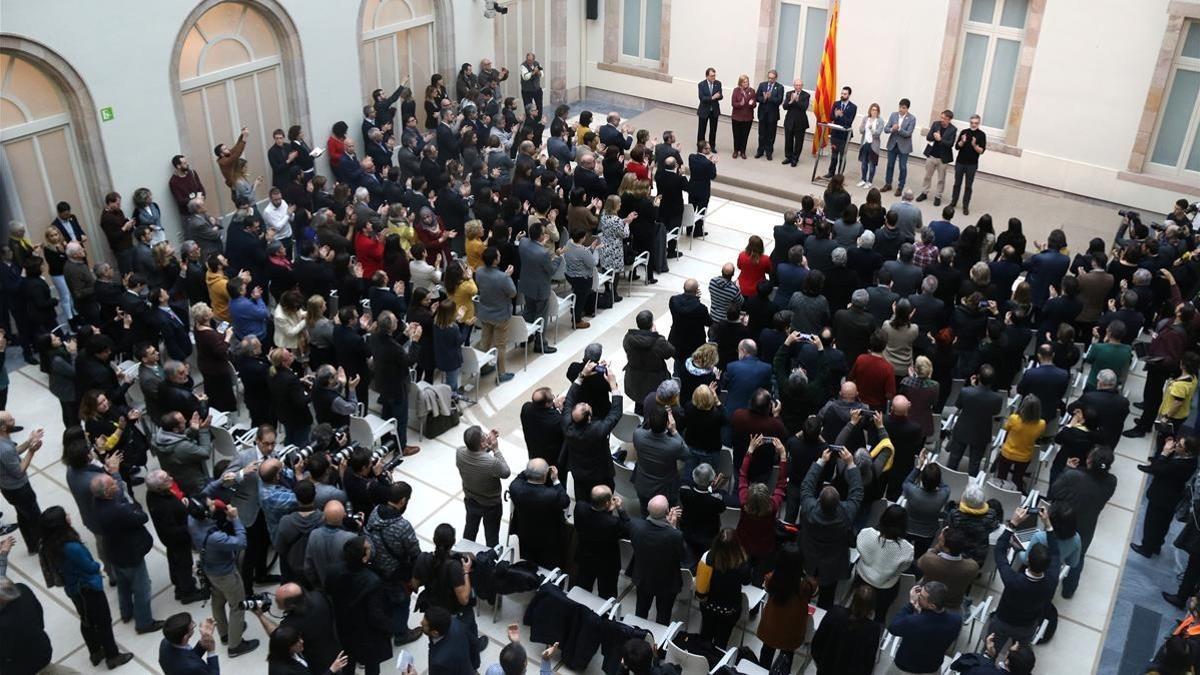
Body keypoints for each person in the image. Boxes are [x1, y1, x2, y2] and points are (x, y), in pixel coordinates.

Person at [38, 506, 135, 669]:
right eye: (65, 515)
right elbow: (89, 567)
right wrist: (97, 565)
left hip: (73, 589)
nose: (69, 516)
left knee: (87, 620)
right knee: (103, 621)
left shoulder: (48, 543)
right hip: (88, 588)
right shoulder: (70, 546)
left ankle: (95, 651)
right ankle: (112, 655)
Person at [91, 473, 164, 635]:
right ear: (107, 492)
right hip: (130, 553)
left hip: (114, 552)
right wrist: (134, 507)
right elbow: (141, 518)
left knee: (123, 584)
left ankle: (126, 612)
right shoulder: (118, 510)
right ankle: (144, 622)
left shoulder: (97, 503)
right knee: (142, 588)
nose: (117, 486)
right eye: (113, 485)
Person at [188, 497, 260, 657]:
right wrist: (235, 519)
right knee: (237, 606)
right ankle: (235, 646)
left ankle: (225, 633)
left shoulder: (192, 520)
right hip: (226, 574)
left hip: (210, 569)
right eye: (211, 504)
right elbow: (241, 542)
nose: (214, 503)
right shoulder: (216, 538)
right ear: (206, 513)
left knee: (218, 601)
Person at [988, 506, 1061, 652]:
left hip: (1003, 622)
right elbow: (1056, 553)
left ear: (1028, 560)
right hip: (1027, 627)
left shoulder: (1012, 580)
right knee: (1017, 660)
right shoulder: (1051, 581)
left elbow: (1000, 551)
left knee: (991, 650)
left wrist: (1012, 524)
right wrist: (1048, 525)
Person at [800, 447, 863, 608]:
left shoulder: (809, 508)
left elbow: (807, 485)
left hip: (810, 555)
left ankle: (801, 609)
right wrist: (851, 464)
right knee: (827, 597)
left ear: (819, 500)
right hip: (833, 562)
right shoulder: (846, 513)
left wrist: (821, 461)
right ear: (838, 502)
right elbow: (857, 491)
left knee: (805, 589)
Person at [328, 537, 392, 675]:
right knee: (372, 663)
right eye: (368, 549)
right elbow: (375, 614)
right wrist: (387, 627)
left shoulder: (333, 570)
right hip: (366, 631)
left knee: (347, 660)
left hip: (343, 624)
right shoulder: (373, 581)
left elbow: (328, 591)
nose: (370, 548)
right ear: (363, 558)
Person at [250, 583, 343, 674]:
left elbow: (278, 636)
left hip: (316, 661)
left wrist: (260, 615)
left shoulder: (293, 623)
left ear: (291, 606)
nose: (274, 601)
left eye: (278, 601)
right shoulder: (318, 596)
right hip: (334, 646)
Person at [146, 470, 208, 604]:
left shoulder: (153, 494)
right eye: (166, 479)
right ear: (158, 487)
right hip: (177, 538)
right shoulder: (162, 505)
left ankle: (179, 587)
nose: (171, 478)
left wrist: (181, 503)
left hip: (169, 539)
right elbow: (172, 529)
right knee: (184, 563)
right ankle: (188, 592)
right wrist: (192, 526)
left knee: (174, 561)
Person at [1133, 436, 1198, 558]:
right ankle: (1156, 545)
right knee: (1163, 524)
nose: (1176, 445)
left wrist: (1164, 453)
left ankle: (1146, 548)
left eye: (1179, 445)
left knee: (1152, 523)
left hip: (1161, 496)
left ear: (1187, 451)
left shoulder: (1178, 464)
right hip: (1172, 496)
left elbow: (1157, 469)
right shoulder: (1192, 460)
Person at [630, 495, 686, 625]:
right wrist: (672, 527)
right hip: (666, 583)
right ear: (667, 512)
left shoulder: (636, 526)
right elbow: (682, 556)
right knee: (663, 616)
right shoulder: (675, 535)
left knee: (641, 611)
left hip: (643, 578)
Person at [888, 581, 962, 674]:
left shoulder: (914, 622)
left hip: (904, 668)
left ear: (932, 606)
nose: (918, 596)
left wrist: (910, 604)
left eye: (921, 597)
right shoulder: (956, 620)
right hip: (932, 668)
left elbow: (893, 627)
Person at [508, 459, 570, 569]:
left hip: (524, 532)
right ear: (546, 475)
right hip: (548, 538)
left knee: (527, 561)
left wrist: (530, 470)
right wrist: (555, 480)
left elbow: (519, 477)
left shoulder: (515, 488)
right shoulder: (552, 495)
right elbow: (565, 501)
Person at [573, 485, 630, 599]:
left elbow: (597, 519)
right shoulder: (613, 523)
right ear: (607, 503)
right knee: (607, 594)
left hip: (585, 557)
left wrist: (606, 511)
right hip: (607, 564)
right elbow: (628, 530)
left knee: (582, 588)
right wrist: (619, 509)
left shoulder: (579, 507)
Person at [945, 365, 1005, 474]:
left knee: (953, 459)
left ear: (978, 377)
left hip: (962, 429)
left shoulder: (965, 391)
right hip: (981, 433)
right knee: (974, 464)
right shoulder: (997, 398)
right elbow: (995, 412)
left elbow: (959, 405)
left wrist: (973, 387)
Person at [457, 426, 510, 547]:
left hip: (470, 500)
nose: (486, 435)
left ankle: (464, 554)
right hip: (490, 505)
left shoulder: (459, 453)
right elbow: (506, 472)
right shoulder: (492, 463)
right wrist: (495, 449)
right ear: (481, 443)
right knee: (491, 537)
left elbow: (476, 456)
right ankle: (491, 561)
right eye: (484, 435)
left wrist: (486, 444)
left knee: (470, 530)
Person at [810, 585, 882, 675]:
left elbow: (817, 642)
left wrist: (819, 662)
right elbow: (868, 662)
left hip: (825, 669)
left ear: (853, 599)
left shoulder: (834, 612)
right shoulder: (873, 630)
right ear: (872, 606)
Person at [0, 414, 43, 555]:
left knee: (23, 516)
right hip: (18, 489)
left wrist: (28, 441)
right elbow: (19, 471)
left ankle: (32, 546)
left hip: (9, 489)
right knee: (35, 518)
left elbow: (14, 452)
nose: (14, 420)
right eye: (11, 420)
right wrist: (32, 450)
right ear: (3, 427)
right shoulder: (3, 448)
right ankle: (44, 547)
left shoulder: (4, 441)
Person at [632, 406, 688, 511]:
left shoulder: (637, 435)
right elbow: (686, 455)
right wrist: (674, 431)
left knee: (644, 513)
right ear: (667, 424)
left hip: (643, 486)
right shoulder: (674, 445)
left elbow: (642, 427)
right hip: (664, 491)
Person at [622, 310, 674, 415]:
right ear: (651, 324)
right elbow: (670, 351)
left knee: (639, 404)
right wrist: (655, 334)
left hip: (635, 379)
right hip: (655, 381)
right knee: (656, 410)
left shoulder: (629, 338)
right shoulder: (658, 341)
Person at [916, 527, 979, 611]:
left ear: (945, 546)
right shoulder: (972, 567)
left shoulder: (929, 560)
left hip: (927, 603)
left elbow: (920, 563)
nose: (938, 538)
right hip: (954, 607)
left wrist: (938, 546)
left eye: (940, 539)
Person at [994, 395, 1046, 493]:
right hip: (1024, 456)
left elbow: (1006, 429)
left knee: (1001, 476)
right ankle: (1014, 493)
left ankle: (998, 491)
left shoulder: (1014, 418)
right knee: (1017, 478)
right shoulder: (1041, 424)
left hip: (1007, 453)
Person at [265, 625, 350, 675]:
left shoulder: (286, 653)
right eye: (296, 641)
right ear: (287, 647)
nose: (302, 641)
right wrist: (332, 670)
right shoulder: (286, 671)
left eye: (299, 638)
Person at [423, 605, 479, 674]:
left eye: (424, 625)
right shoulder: (455, 622)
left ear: (435, 633)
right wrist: (474, 667)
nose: (420, 623)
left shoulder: (437, 661)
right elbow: (474, 642)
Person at [917, 109, 957, 206]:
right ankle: (924, 192)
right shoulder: (936, 124)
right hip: (931, 155)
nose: (942, 119)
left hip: (943, 158)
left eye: (944, 118)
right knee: (927, 176)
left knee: (941, 179)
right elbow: (928, 137)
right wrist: (934, 136)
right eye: (941, 117)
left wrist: (940, 139)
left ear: (949, 120)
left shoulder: (953, 129)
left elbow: (950, 144)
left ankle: (938, 196)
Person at [950, 114, 986, 216]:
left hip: (972, 165)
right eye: (972, 123)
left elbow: (981, 151)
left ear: (979, 123)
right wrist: (962, 141)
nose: (973, 125)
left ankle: (965, 206)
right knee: (957, 183)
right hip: (960, 162)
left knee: (968, 186)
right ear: (969, 122)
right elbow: (957, 147)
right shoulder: (964, 132)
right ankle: (954, 201)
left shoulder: (981, 135)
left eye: (976, 123)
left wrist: (974, 145)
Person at [880, 98, 916, 196]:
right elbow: (886, 129)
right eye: (900, 107)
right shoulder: (893, 115)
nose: (901, 109)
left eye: (903, 108)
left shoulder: (912, 118)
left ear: (907, 109)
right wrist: (892, 129)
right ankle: (888, 183)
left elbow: (908, 133)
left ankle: (900, 187)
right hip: (893, 144)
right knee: (890, 165)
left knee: (902, 167)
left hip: (904, 146)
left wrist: (899, 128)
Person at [825, 86, 857, 178]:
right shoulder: (836, 103)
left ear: (849, 95)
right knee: (834, 154)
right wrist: (835, 115)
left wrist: (841, 115)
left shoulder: (853, 107)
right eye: (842, 93)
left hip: (845, 135)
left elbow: (849, 121)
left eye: (845, 94)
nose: (843, 95)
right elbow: (831, 117)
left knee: (842, 155)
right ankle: (831, 172)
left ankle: (839, 175)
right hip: (835, 133)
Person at [754, 69, 784, 160]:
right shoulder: (762, 85)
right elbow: (757, 97)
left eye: (772, 78)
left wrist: (770, 97)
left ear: (776, 78)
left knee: (771, 135)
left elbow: (779, 100)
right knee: (761, 133)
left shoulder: (780, 87)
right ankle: (760, 151)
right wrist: (764, 98)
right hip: (762, 113)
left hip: (773, 115)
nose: (770, 80)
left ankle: (769, 152)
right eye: (769, 78)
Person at [781, 78, 810, 167]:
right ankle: (788, 157)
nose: (798, 87)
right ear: (794, 85)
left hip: (800, 122)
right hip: (789, 121)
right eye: (796, 85)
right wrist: (791, 101)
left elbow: (804, 107)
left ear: (802, 86)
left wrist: (796, 100)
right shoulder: (789, 93)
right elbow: (785, 107)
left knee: (798, 142)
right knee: (788, 140)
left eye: (800, 85)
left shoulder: (806, 95)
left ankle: (795, 159)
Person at [697, 67, 723, 152]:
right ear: (707, 76)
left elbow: (721, 96)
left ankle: (712, 146)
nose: (713, 78)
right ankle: (700, 147)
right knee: (702, 130)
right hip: (704, 111)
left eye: (714, 76)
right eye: (711, 76)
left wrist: (719, 96)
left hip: (714, 111)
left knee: (713, 130)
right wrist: (712, 97)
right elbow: (702, 98)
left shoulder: (718, 83)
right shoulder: (701, 84)